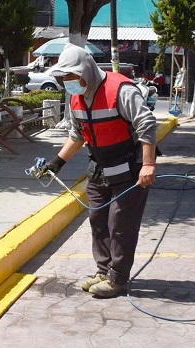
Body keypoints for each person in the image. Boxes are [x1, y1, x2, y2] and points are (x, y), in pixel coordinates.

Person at [36, 43, 158, 298]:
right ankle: (103, 271)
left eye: (72, 76)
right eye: (65, 78)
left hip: (130, 166)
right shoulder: (76, 97)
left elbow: (146, 124)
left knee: (120, 223)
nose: (69, 82)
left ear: (86, 70)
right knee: (97, 219)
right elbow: (77, 134)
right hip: (100, 166)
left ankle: (118, 279)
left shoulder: (121, 90)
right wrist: (56, 163)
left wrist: (148, 165)